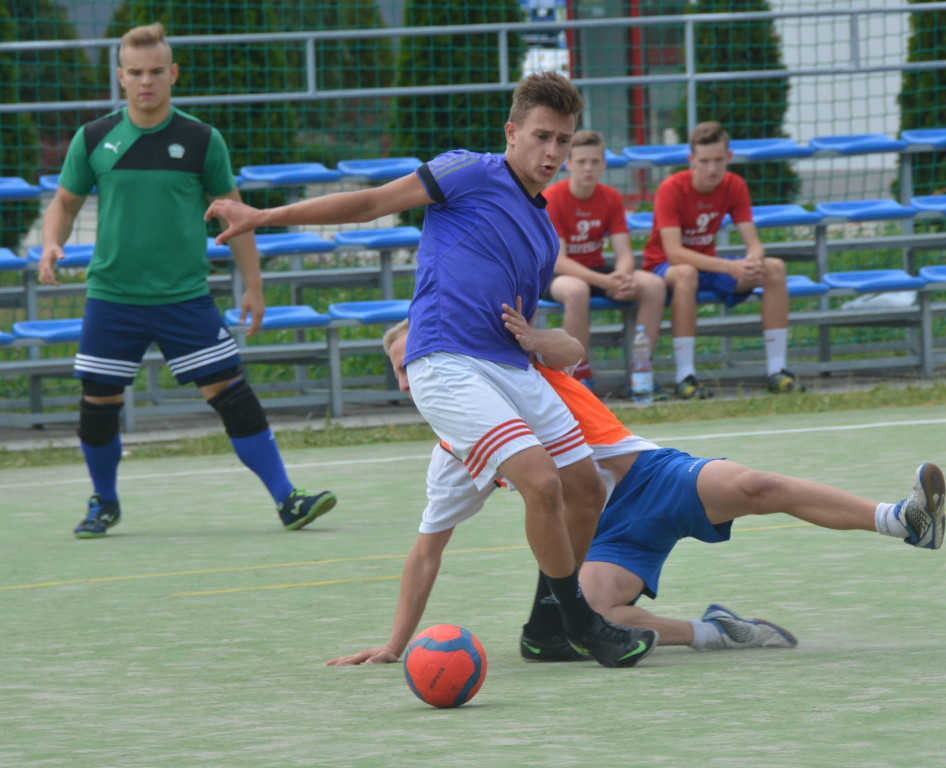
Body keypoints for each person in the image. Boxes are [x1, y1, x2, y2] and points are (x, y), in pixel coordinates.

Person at [207, 72, 657, 668]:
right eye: (542, 137)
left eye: (564, 142)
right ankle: (583, 624)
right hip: (446, 361)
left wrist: (547, 342)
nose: (553, 153)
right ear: (512, 132)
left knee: (585, 489)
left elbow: (524, 323)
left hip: (513, 369)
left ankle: (549, 626)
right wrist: (264, 216)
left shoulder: (546, 235)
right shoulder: (467, 171)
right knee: (541, 482)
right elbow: (370, 204)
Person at [326, 316, 945, 666]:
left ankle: (905, 520)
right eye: (405, 367)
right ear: (406, 384)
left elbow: (572, 347)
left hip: (649, 476)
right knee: (592, 618)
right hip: (604, 534)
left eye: (424, 353)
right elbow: (426, 552)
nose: (417, 373)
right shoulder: (453, 456)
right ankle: (714, 631)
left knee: (756, 484)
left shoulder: (509, 365)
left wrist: (535, 338)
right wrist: (393, 645)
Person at [38, 23, 336, 538]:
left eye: (156, 71)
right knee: (98, 402)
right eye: (135, 73)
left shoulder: (201, 139)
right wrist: (50, 242)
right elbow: (64, 202)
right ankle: (103, 502)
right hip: (113, 298)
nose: (146, 81)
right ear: (121, 77)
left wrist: (255, 287)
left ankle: (288, 499)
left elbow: (235, 217)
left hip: (184, 298)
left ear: (173, 74)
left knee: (231, 393)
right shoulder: (94, 138)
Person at [642, 121, 797, 400]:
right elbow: (674, 252)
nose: (711, 168)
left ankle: (777, 370)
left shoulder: (734, 185)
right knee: (686, 272)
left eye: (717, 160)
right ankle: (685, 376)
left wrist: (752, 260)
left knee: (774, 268)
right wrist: (730, 267)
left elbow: (754, 243)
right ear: (691, 161)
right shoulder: (671, 188)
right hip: (663, 268)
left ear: (729, 157)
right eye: (704, 161)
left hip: (708, 265)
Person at [544, 130, 666, 393]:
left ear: (604, 164)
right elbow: (559, 261)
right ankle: (578, 373)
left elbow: (623, 253)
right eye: (581, 161)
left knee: (654, 285)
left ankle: (640, 372)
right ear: (568, 163)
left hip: (597, 272)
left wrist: (622, 276)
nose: (588, 168)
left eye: (595, 162)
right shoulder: (553, 197)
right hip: (557, 276)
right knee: (577, 290)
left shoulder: (610, 197)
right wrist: (605, 281)